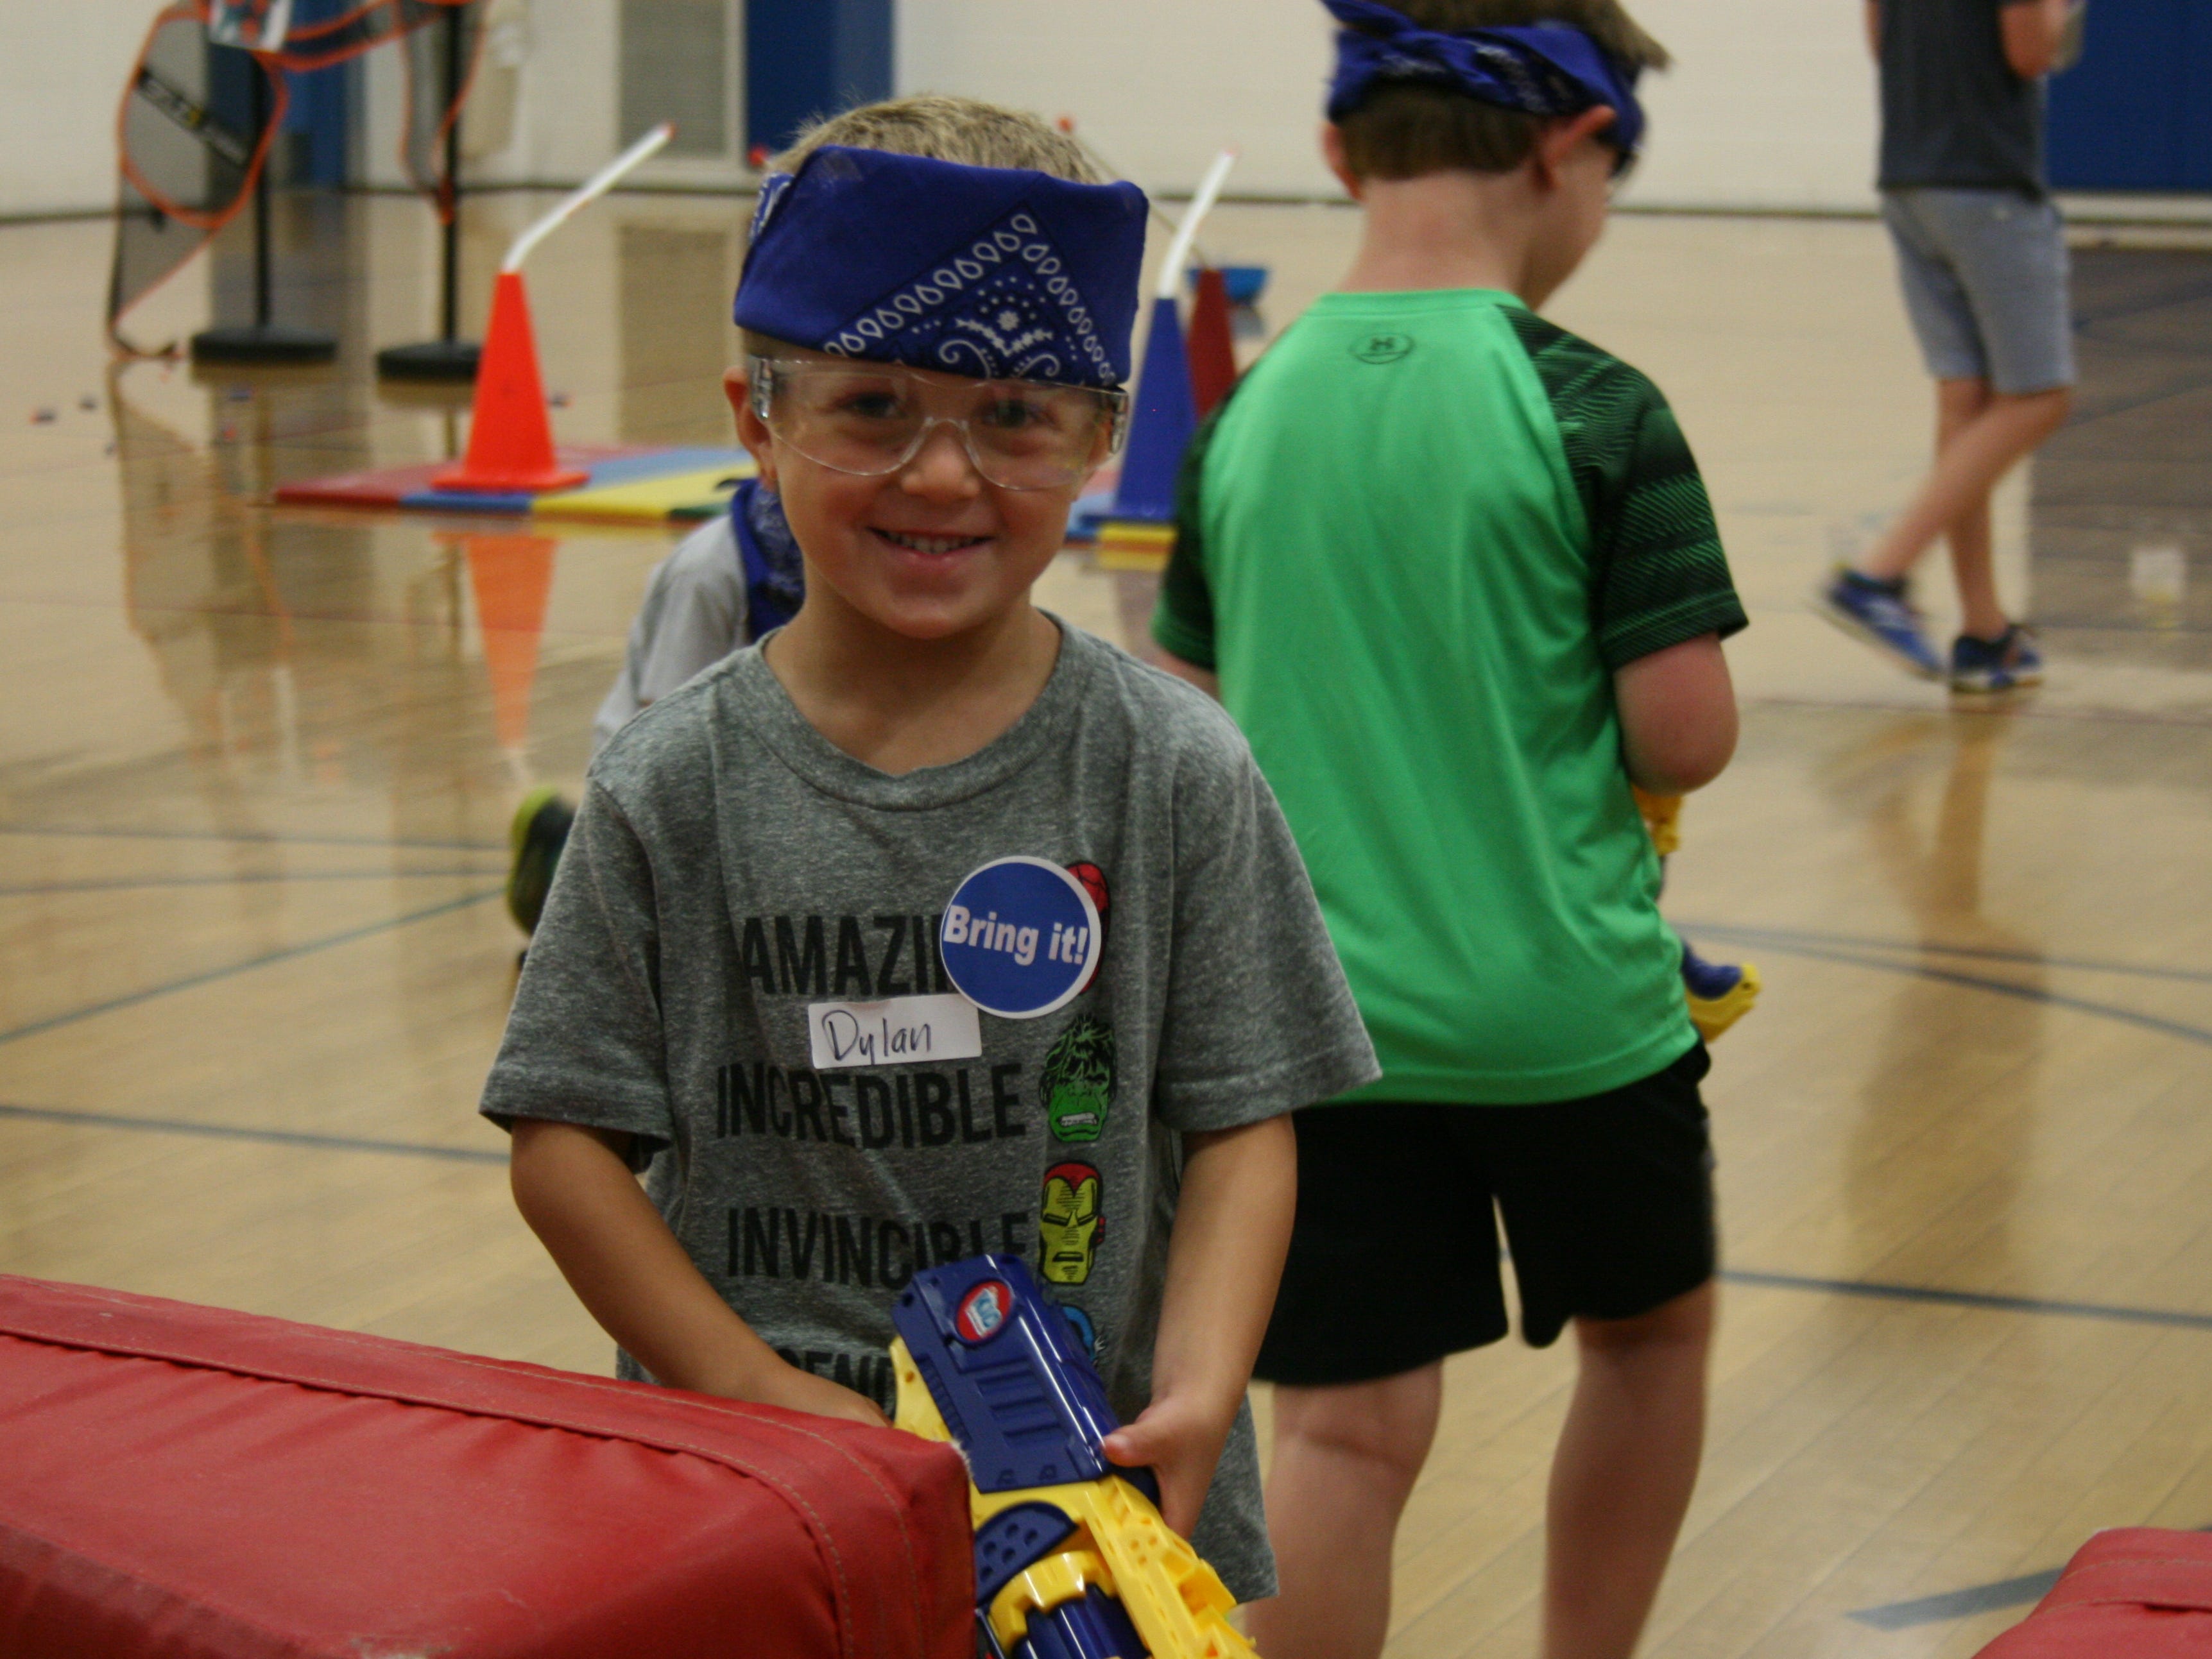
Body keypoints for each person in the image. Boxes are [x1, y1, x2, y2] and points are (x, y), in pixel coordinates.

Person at [478, 94, 1381, 1606]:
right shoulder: (669, 781)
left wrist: (1205, 1380)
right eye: (873, 406)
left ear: (1099, 436)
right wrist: (765, 1399)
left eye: (1015, 416)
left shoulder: (1172, 768)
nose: (943, 474)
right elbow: (563, 1142)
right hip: (755, 1500)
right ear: (758, 416)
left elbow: (1240, 1122)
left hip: (1093, 1496)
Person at [1150, 3, 1746, 1655]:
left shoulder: (1242, 418)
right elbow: (1680, 734)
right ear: (1571, 147)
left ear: (1341, 151)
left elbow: (1177, 707)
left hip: (1320, 1033)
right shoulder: (1592, 408)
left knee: (1339, 1427)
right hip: (1570, 1020)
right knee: (1648, 1340)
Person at [1819, 0, 2077, 692]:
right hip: (1985, 179)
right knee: (2040, 396)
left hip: (1909, 178)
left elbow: (1879, 37)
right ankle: (1879, 575)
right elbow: (2029, 52)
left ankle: (1985, 635)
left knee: (1968, 401)